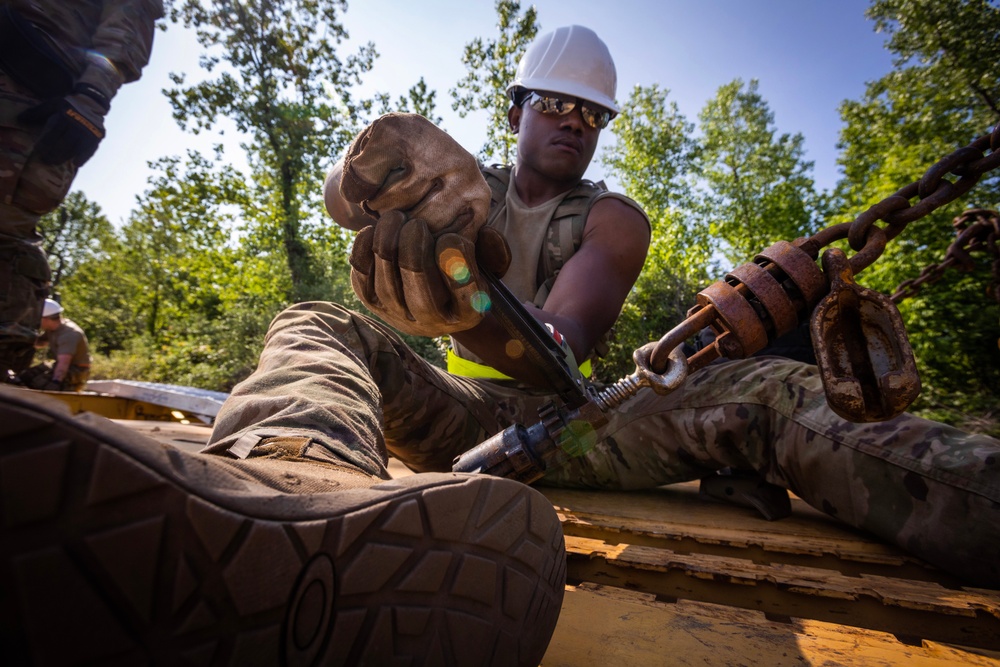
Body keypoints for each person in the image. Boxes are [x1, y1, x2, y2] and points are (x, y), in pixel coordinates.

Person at [2, 24, 998, 666]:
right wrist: (366, 177)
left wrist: (466, 302)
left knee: (760, 395)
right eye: (555, 105)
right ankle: (292, 486)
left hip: (577, 421)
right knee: (314, 322)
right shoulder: (459, 183)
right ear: (518, 110)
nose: (572, 123)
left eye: (590, 115)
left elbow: (561, 346)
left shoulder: (612, 220)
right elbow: (348, 198)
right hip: (459, 409)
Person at [0, 0, 163, 383]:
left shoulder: (68, 333)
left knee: (7, 231)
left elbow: (130, 15)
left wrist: (92, 97)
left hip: (34, 96)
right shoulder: (58, 332)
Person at [18, 297, 91, 391]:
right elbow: (40, 343)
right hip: (60, 364)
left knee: (39, 384)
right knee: (26, 376)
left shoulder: (69, 334)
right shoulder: (53, 329)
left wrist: (56, 382)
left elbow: (64, 362)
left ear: (46, 319)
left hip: (77, 370)